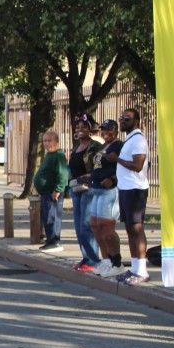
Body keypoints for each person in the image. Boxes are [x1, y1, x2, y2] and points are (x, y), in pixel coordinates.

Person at [109, 108, 150, 284]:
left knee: (136, 229)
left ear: (136, 121)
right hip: (125, 189)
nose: (122, 121)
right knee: (129, 229)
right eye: (121, 118)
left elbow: (137, 165)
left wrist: (116, 159)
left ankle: (142, 271)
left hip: (135, 189)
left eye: (127, 118)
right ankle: (134, 268)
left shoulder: (138, 140)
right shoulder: (129, 139)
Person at [89, 119, 125, 278]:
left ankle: (117, 263)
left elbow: (123, 166)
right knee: (95, 225)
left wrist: (113, 179)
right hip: (96, 189)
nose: (105, 133)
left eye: (109, 130)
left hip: (109, 191)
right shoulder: (102, 146)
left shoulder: (120, 146)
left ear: (116, 131)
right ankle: (106, 261)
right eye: (103, 130)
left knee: (106, 227)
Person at [69, 115, 103, 272]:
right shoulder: (77, 146)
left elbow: (99, 166)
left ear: (90, 129)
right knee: (78, 226)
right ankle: (86, 257)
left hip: (88, 188)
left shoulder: (95, 146)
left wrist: (90, 176)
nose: (80, 130)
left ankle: (93, 260)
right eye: (78, 127)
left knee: (86, 225)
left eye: (83, 127)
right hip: (76, 188)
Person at [33, 131, 68, 252]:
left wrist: (58, 189)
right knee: (47, 216)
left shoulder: (58, 155)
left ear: (56, 141)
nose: (47, 143)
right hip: (45, 192)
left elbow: (62, 173)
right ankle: (50, 241)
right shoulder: (50, 154)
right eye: (45, 141)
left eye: (49, 141)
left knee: (52, 217)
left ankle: (54, 241)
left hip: (52, 192)